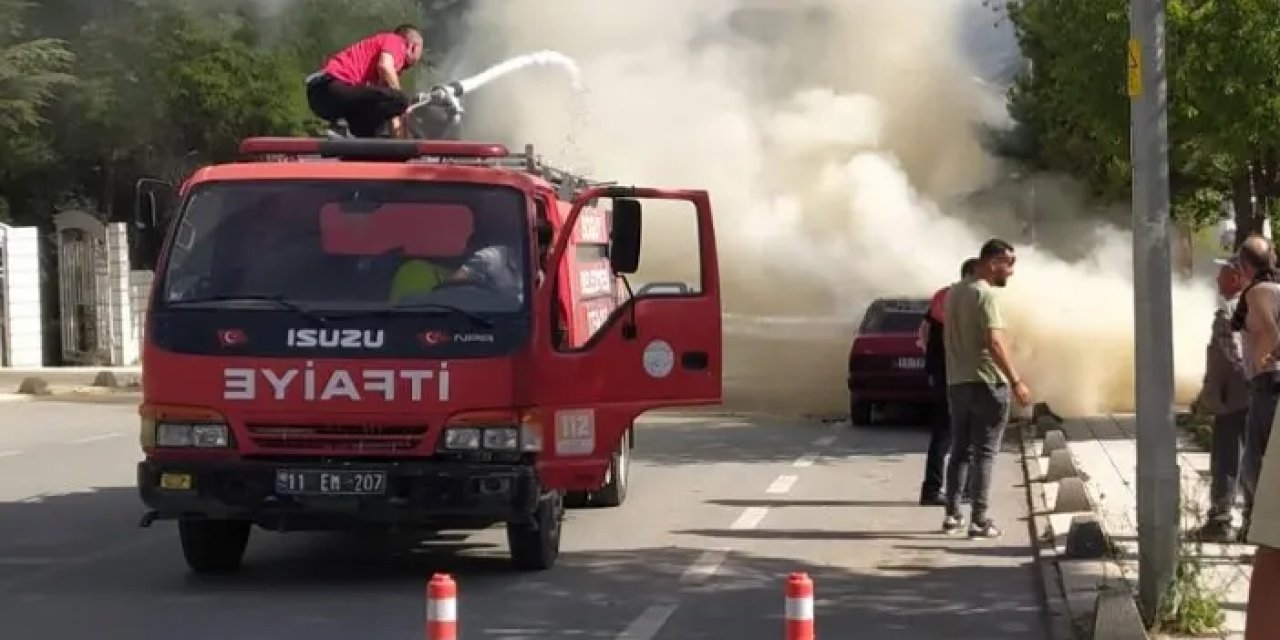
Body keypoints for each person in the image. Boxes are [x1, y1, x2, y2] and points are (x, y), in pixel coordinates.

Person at [941, 238, 1032, 538]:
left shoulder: (953, 293)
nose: (1012, 271)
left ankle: (953, 515)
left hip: (957, 382)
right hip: (987, 382)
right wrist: (1016, 380)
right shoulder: (986, 295)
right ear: (992, 262)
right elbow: (994, 342)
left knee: (959, 450)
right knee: (985, 453)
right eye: (1009, 263)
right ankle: (979, 519)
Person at [1192, 257, 1250, 542]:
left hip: (1235, 400)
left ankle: (1221, 521)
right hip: (1255, 396)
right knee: (1253, 459)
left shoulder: (1229, 312)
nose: (1217, 281)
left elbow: (1237, 359)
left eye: (1223, 276)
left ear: (1238, 278)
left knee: (1228, 458)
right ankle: (1252, 524)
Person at [917, 257, 979, 506]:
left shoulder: (942, 295)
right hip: (958, 373)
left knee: (947, 432)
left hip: (943, 371)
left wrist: (931, 361)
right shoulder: (968, 297)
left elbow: (924, 330)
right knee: (957, 431)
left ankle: (936, 489)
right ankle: (955, 490)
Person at [1231, 234, 1280, 542]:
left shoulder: (1257, 292)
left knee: (1253, 464)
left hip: (1269, 384)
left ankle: (1260, 527)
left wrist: (1267, 355)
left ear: (1246, 265)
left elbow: (1270, 331)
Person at [305, 25, 426, 138]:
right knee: (400, 99)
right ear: (413, 46)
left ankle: (346, 137)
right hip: (330, 86)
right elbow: (385, 66)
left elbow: (392, 112)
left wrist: (403, 148)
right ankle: (344, 127)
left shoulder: (386, 72)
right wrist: (403, 103)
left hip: (319, 99)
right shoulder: (396, 41)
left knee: (372, 130)